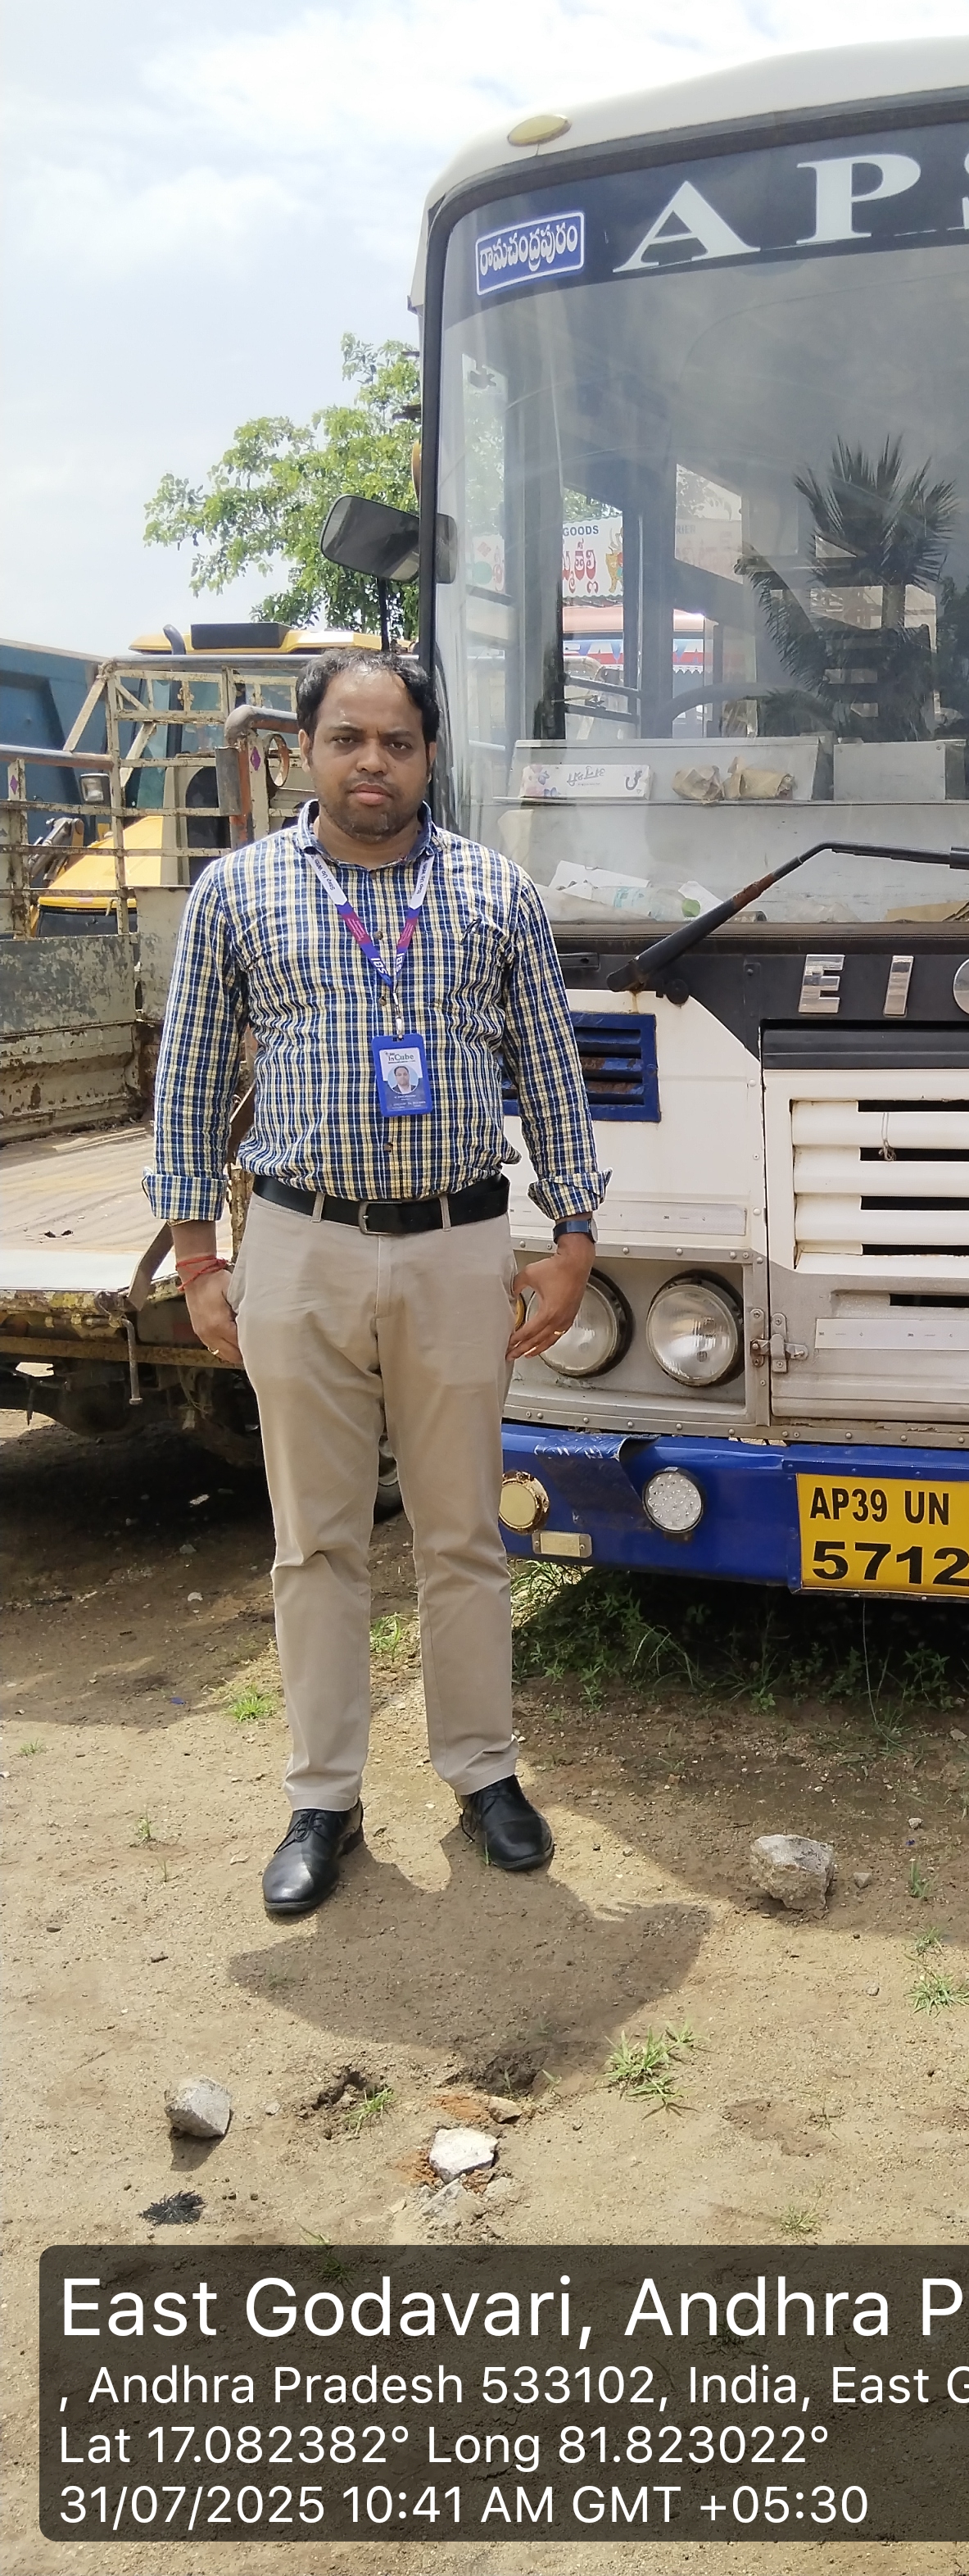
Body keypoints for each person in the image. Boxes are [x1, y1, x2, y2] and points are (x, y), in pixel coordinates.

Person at [147, 650, 606, 1915]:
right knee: (317, 1540)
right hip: (302, 1246)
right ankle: (324, 1796)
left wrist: (573, 1235)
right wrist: (199, 1256)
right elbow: (189, 1079)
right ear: (304, 750)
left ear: (428, 757)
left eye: (397, 743)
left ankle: (483, 1771)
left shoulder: (495, 893)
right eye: (347, 739)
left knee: (461, 1529)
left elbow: (550, 1071)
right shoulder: (237, 893)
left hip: (460, 1247)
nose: (372, 764)